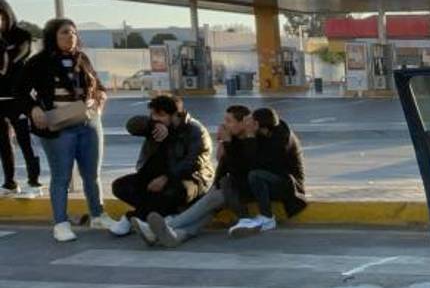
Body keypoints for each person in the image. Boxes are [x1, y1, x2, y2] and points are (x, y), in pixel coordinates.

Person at [20, 18, 115, 241]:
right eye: (64, 32)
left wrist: (100, 97)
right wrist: (33, 109)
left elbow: (99, 87)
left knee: (92, 175)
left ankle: (98, 214)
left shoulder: (82, 59)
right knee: (61, 177)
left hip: (89, 123)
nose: (70, 36)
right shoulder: (39, 62)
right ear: (53, 36)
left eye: (73, 32)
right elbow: (20, 91)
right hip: (59, 127)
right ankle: (61, 223)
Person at [145, 104, 255, 247]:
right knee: (208, 210)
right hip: (230, 188)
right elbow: (224, 173)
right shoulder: (232, 141)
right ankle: (176, 236)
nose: (224, 125)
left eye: (229, 121)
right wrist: (224, 150)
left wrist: (227, 144)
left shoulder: (250, 141)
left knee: (216, 197)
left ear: (242, 123)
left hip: (246, 188)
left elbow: (241, 172)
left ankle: (163, 227)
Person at [108, 94, 213, 238]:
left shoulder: (195, 131)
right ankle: (164, 215)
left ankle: (133, 217)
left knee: (174, 191)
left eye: (161, 115)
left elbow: (193, 163)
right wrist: (153, 124)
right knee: (120, 186)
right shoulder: (155, 126)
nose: (156, 118)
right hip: (154, 176)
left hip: (191, 179)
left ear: (175, 115)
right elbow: (131, 125)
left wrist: (166, 177)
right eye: (153, 114)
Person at [228, 107, 306, 236]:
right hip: (271, 178)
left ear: (257, 125)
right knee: (235, 179)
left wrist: (250, 136)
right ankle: (245, 219)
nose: (247, 124)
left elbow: (258, 164)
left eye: (251, 121)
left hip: (289, 184)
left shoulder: (281, 139)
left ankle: (267, 217)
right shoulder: (264, 132)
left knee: (255, 175)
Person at [0, 0, 42, 197]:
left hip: (18, 97)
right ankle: (9, 182)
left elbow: (13, 61)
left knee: (25, 140)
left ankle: (34, 181)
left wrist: (4, 50)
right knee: (3, 142)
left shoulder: (22, 36)